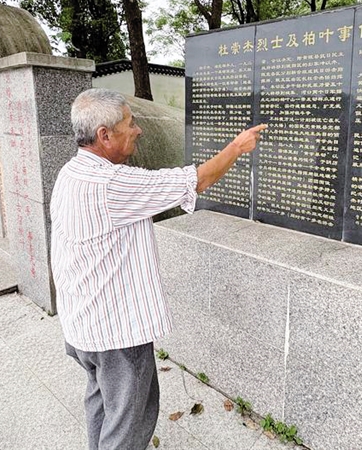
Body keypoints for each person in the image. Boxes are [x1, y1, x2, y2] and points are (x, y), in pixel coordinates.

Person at [50, 88, 266, 450]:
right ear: (105, 135)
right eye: (130, 123)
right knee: (129, 423)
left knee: (102, 401)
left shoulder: (71, 173)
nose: (138, 130)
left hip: (82, 325)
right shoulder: (110, 184)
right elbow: (195, 181)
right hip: (116, 335)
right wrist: (236, 148)